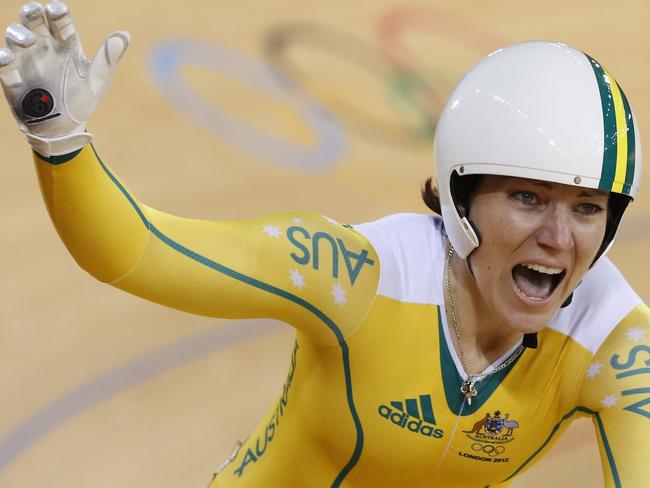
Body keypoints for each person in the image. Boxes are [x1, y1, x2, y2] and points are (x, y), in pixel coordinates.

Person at [1, 2, 648, 487]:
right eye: (528, 199)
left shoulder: (614, 341)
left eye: (588, 208)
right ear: (462, 197)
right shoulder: (363, 276)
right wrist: (59, 140)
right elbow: (137, 253)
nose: (559, 238)